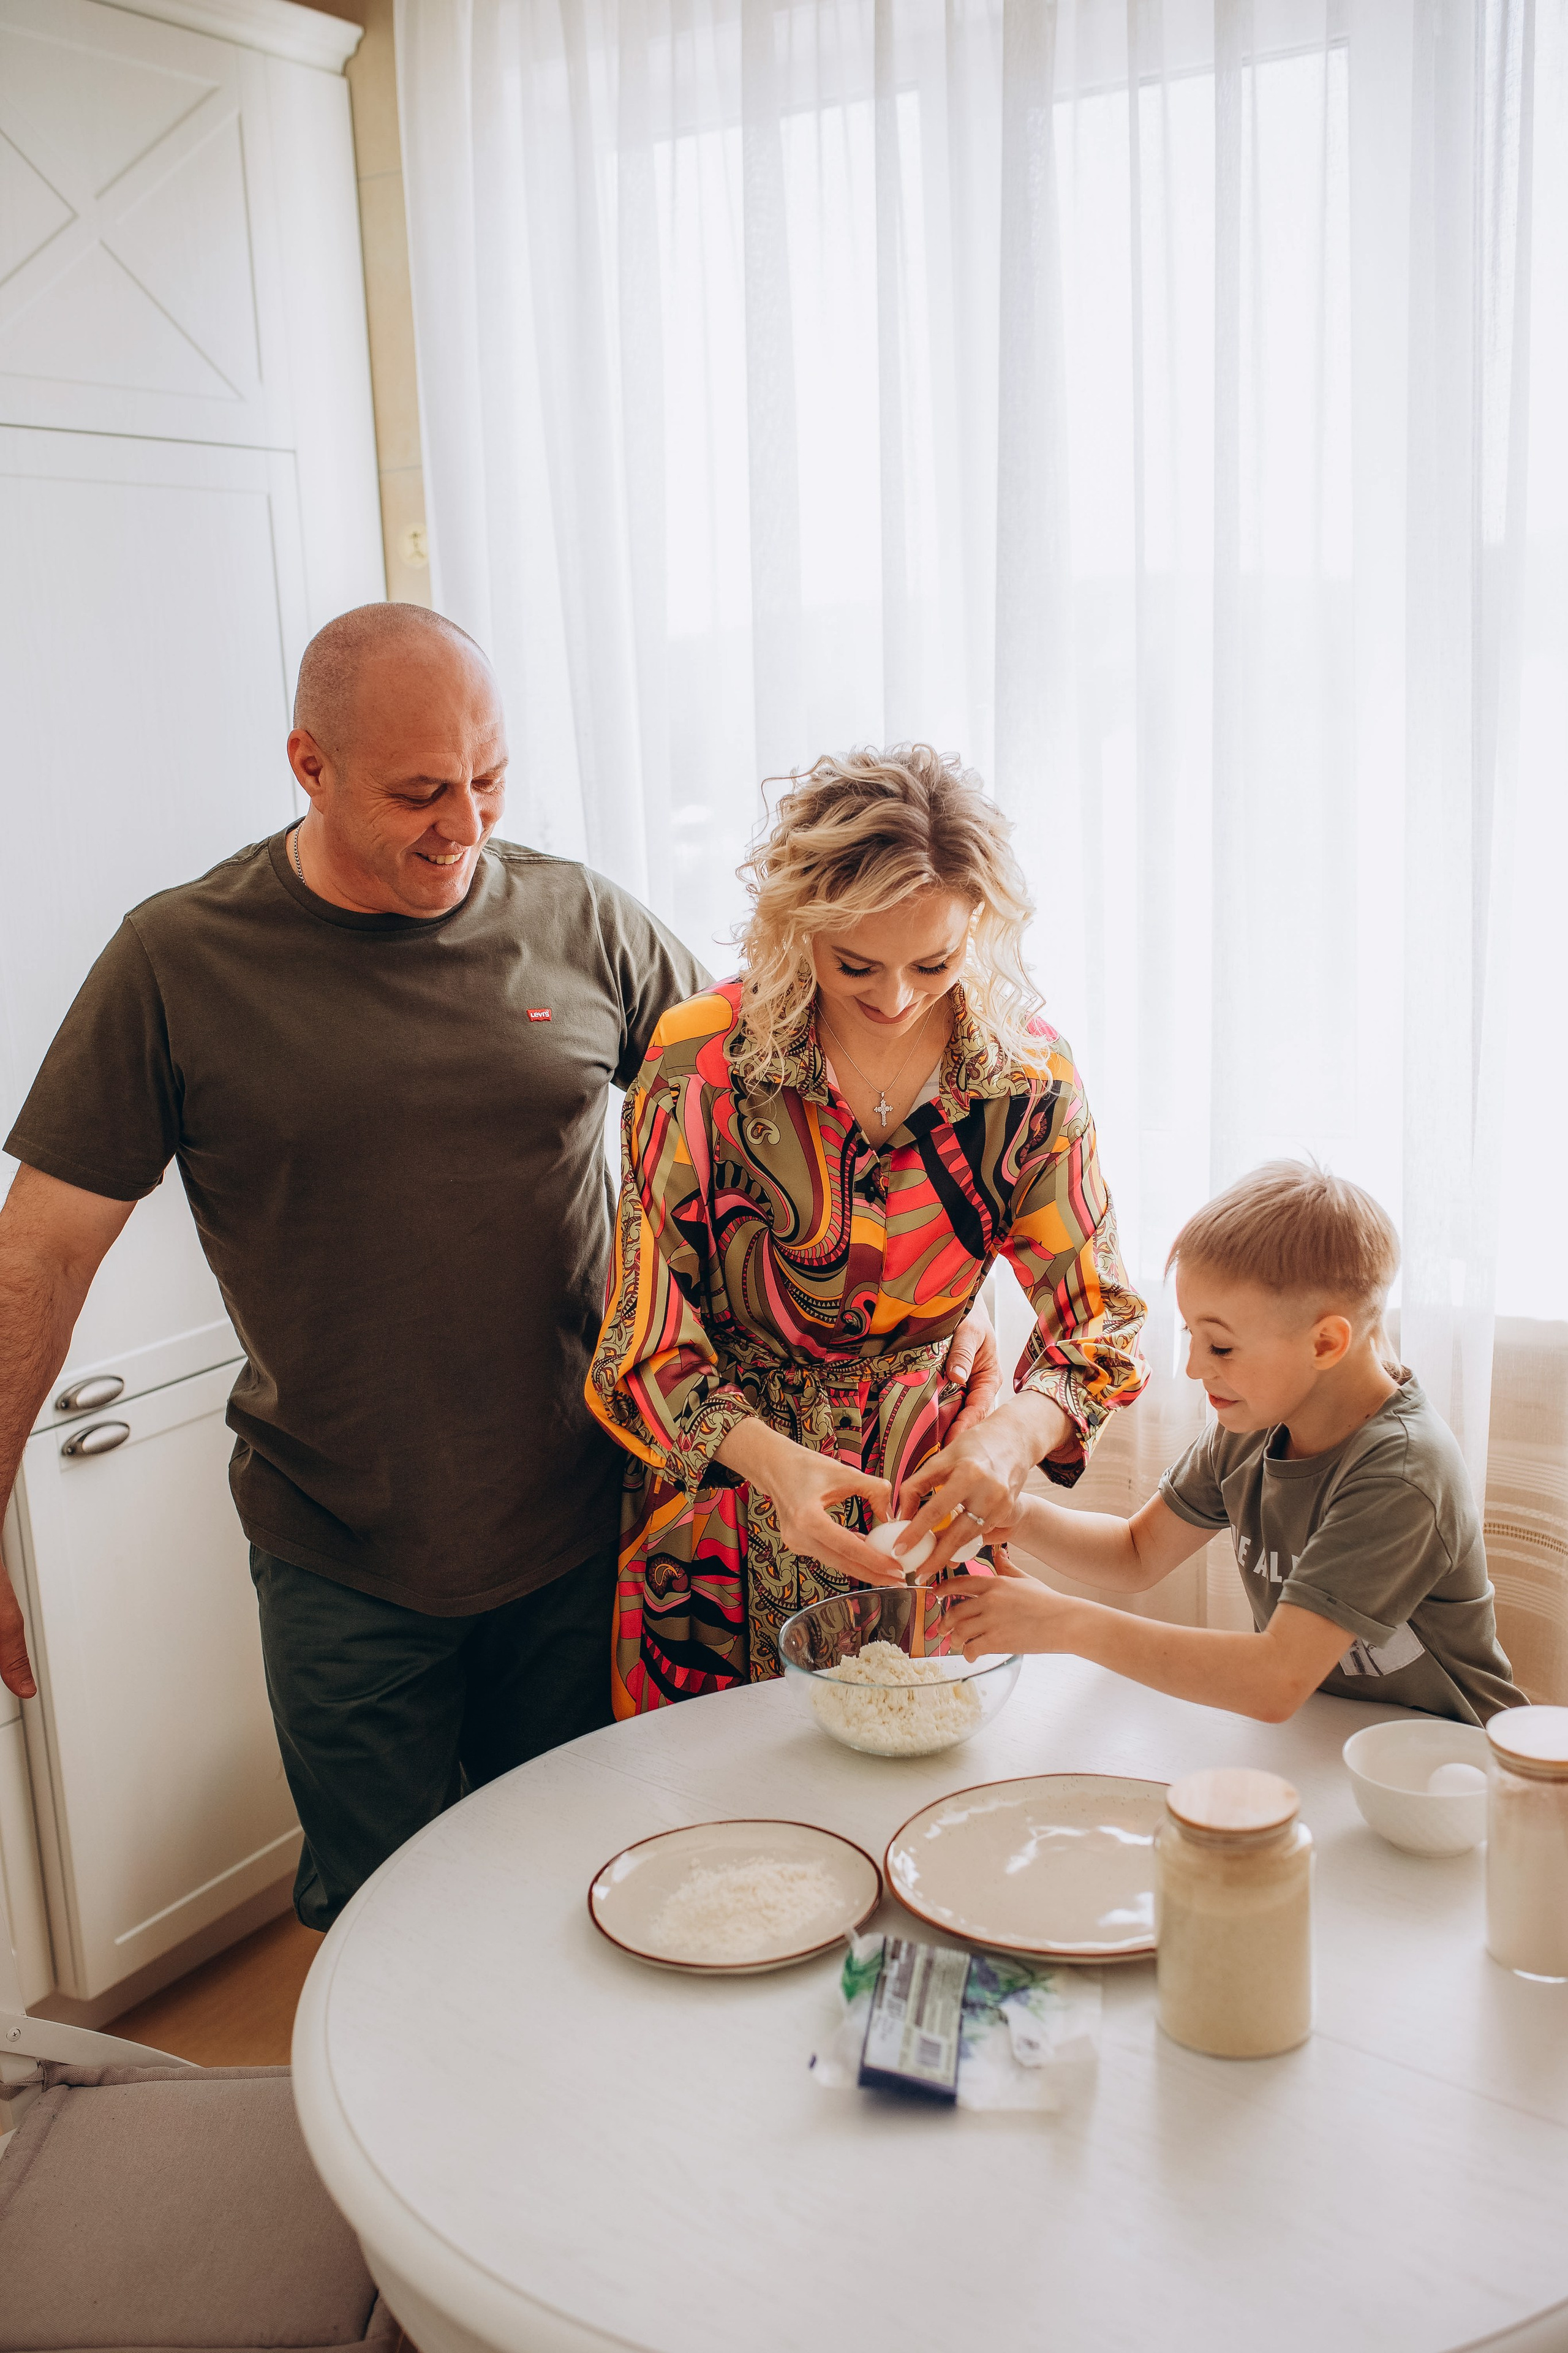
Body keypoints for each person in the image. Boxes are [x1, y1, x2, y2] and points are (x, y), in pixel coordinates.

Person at [584, 744, 1148, 1712]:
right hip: (722, 1533)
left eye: (934, 962)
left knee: (930, 1809)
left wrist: (1012, 1437)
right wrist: (776, 1471)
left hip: (930, 1520)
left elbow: (1099, 1324)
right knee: (728, 1827)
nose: (894, 1000)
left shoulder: (1028, 1083)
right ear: (796, 929)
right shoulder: (699, 1065)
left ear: (982, 926)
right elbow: (643, 1350)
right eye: (856, 965)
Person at [924, 1161, 1526, 1726]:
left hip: (1453, 1765)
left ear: (1324, 1344)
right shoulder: (1257, 1424)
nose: (1191, 1369)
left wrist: (1066, 1625)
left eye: (1220, 1346)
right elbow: (1138, 1552)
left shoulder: (1400, 1474)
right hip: (1331, 1742)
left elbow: (1275, 1679)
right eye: (1191, 1334)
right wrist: (1019, 1516)